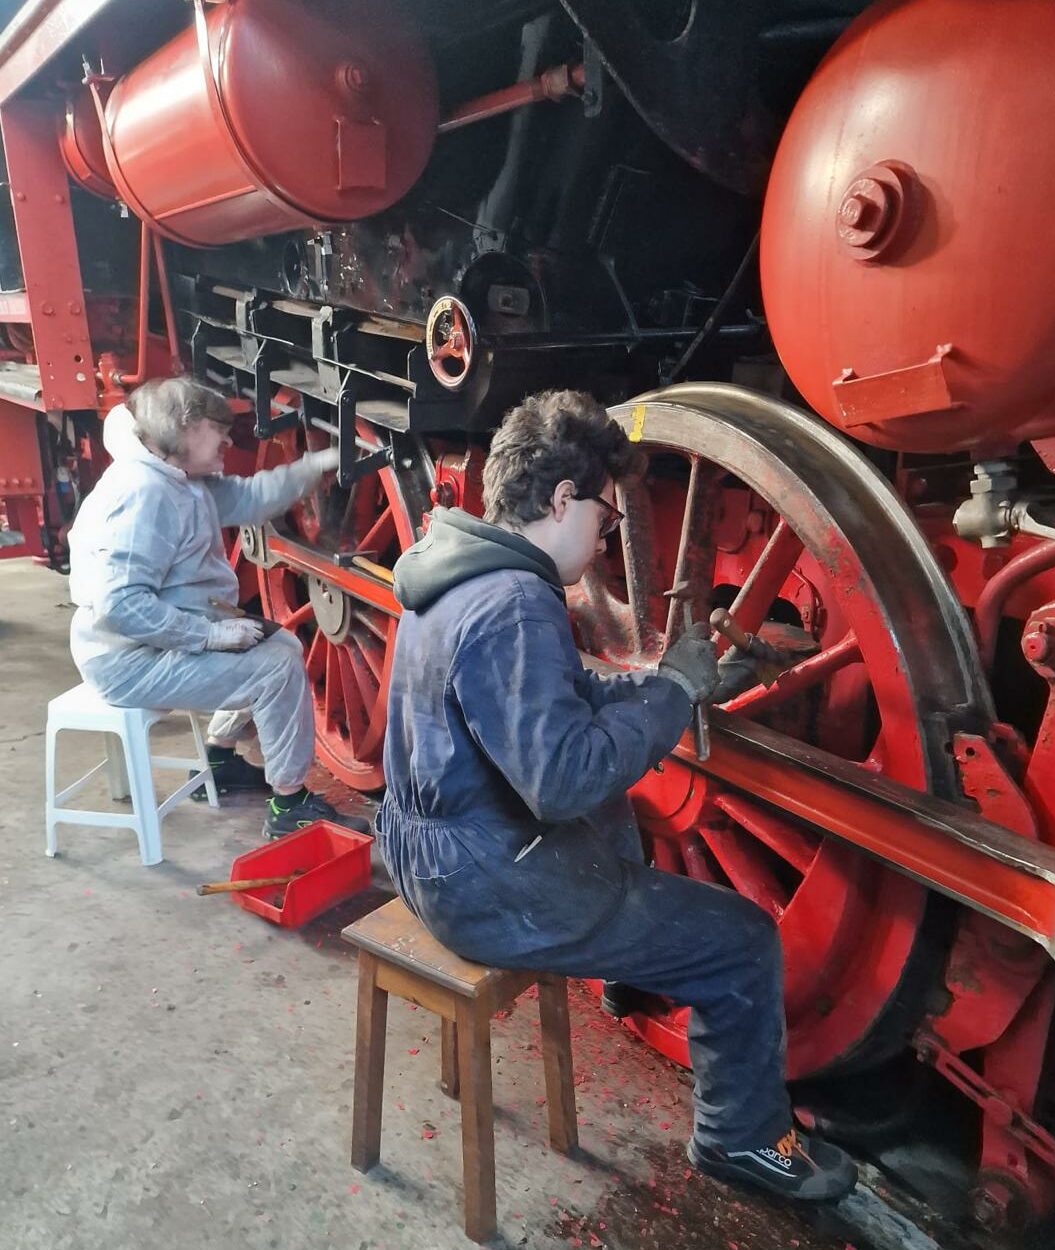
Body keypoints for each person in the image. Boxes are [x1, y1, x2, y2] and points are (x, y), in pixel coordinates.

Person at [377, 389, 856, 1202]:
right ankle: (739, 1140)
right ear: (562, 498)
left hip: (425, 855)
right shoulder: (517, 602)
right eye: (604, 518)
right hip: (487, 888)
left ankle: (624, 970)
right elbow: (561, 780)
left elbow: (547, 699)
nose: (606, 539)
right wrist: (670, 694)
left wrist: (658, 687)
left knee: (612, 822)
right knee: (740, 940)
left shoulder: (451, 569)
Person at [67, 376, 370, 839]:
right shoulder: (144, 494)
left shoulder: (180, 476)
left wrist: (319, 465)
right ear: (184, 428)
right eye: (217, 429)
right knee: (276, 667)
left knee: (279, 643)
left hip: (156, 637)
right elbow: (121, 604)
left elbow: (249, 499)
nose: (230, 439)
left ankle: (221, 758)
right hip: (127, 660)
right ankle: (289, 805)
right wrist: (208, 636)